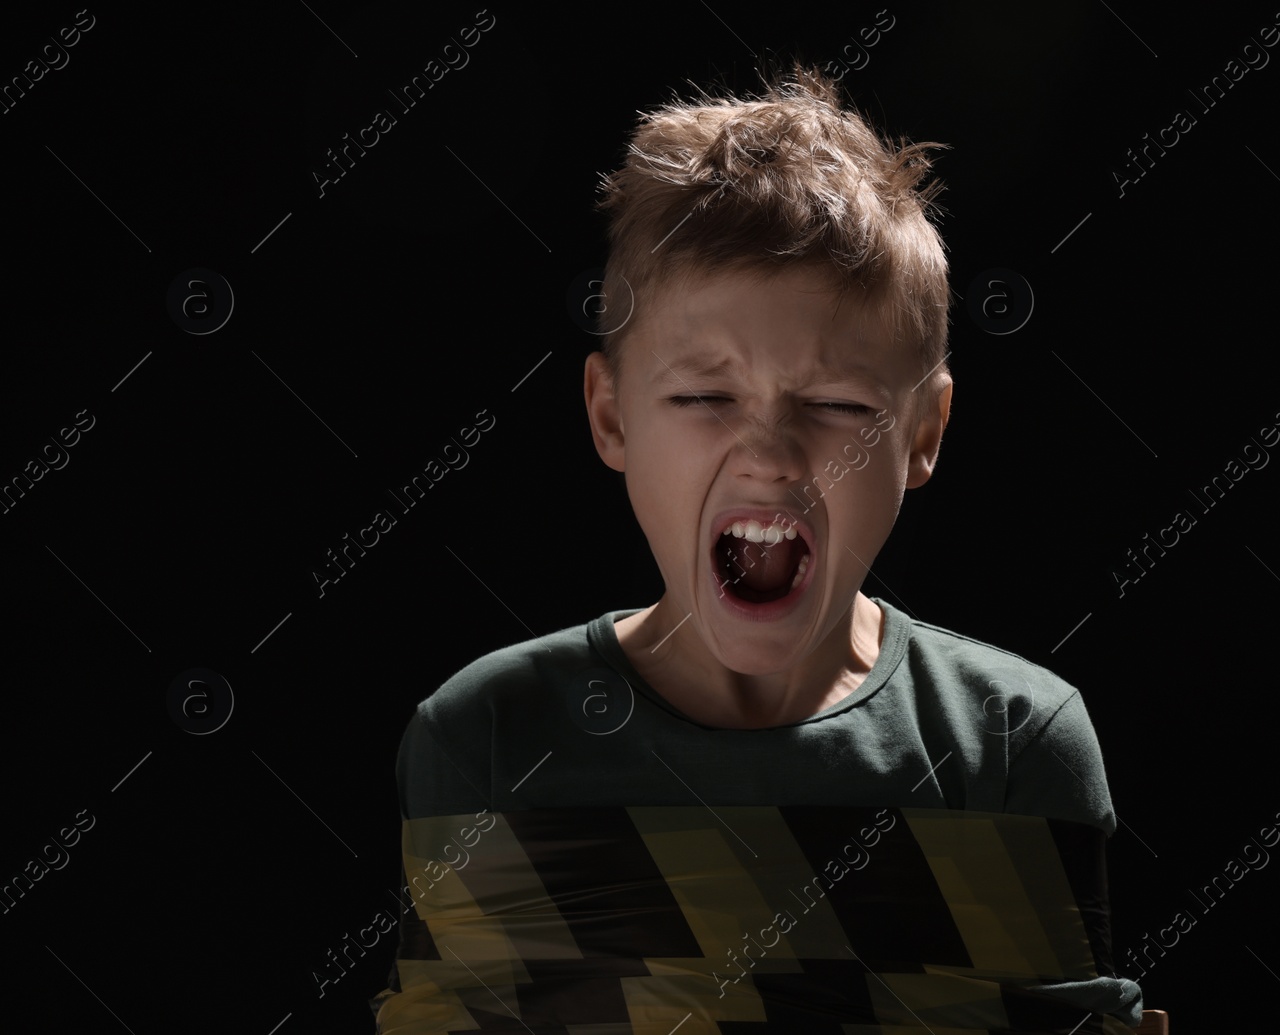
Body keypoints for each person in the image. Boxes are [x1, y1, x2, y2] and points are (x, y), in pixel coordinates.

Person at [370, 62, 1145, 1033]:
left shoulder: (1009, 744)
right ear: (611, 417)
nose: (771, 455)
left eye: (837, 406)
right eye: (704, 397)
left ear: (922, 433)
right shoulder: (486, 737)